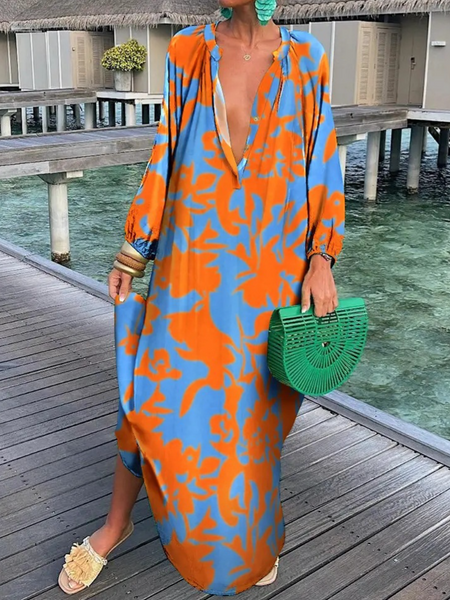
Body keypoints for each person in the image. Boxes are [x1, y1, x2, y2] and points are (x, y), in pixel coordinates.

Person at [58, 0, 345, 595]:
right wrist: (135, 248)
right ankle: (115, 524)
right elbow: (166, 151)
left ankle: (251, 538)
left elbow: (323, 165)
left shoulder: (308, 60)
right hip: (189, 267)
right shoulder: (189, 50)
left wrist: (322, 257)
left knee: (253, 418)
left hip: (271, 273)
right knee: (147, 395)